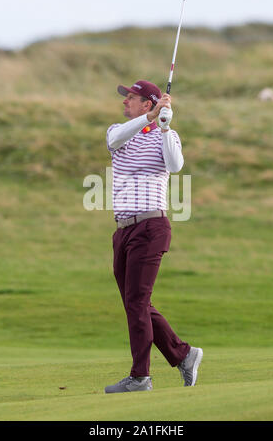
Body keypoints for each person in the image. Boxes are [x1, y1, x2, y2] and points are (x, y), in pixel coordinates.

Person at [105, 80, 203, 393]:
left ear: (147, 102)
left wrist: (163, 126)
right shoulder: (119, 133)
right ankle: (184, 354)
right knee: (136, 302)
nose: (124, 103)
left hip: (151, 227)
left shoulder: (167, 135)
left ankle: (140, 377)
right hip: (123, 231)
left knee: (137, 301)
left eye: (130, 98)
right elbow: (117, 137)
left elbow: (175, 166)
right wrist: (149, 119)